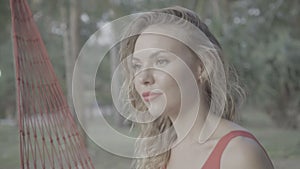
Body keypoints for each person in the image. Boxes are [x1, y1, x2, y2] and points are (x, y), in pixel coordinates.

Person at [119, 6, 274, 169]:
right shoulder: (161, 155)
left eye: (161, 61)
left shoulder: (237, 154)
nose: (143, 78)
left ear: (202, 67)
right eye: (137, 65)